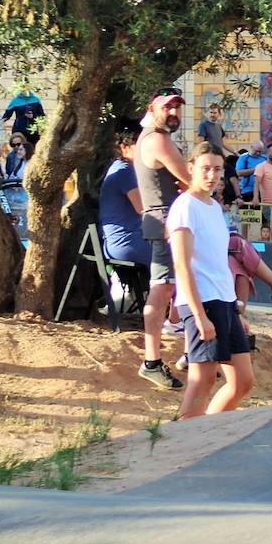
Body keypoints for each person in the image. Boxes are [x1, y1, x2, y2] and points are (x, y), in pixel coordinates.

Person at [167, 142, 254, 419]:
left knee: (242, 381)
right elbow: (182, 264)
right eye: (205, 169)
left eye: (217, 169)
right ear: (191, 169)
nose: (212, 175)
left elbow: (219, 262)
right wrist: (199, 315)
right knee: (202, 380)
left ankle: (206, 433)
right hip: (202, 302)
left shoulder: (215, 207)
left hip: (224, 301)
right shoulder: (184, 207)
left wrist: (235, 309)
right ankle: (181, 441)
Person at [134, 88, 189, 390]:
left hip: (166, 220)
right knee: (162, 289)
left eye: (178, 107)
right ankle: (152, 361)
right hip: (167, 222)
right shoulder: (157, 139)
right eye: (168, 107)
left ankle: (192, 353)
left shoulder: (153, 137)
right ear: (152, 108)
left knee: (179, 285)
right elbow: (191, 179)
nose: (174, 112)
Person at [99, 122, 150, 267]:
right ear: (123, 147)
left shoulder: (126, 169)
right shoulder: (125, 172)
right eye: (138, 144)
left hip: (129, 239)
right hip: (126, 242)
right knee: (176, 252)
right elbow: (144, 209)